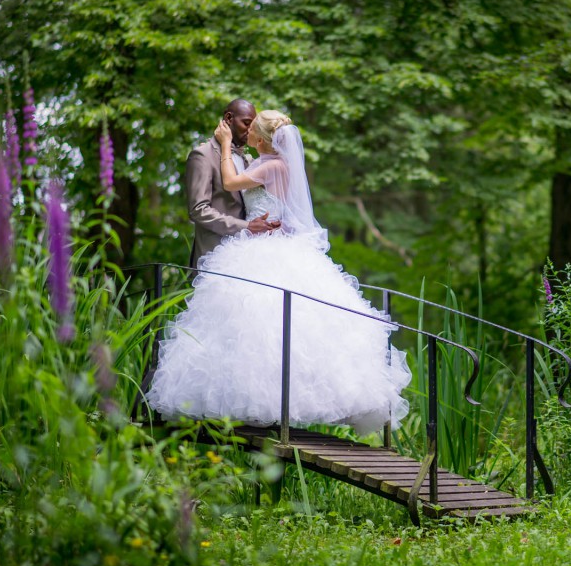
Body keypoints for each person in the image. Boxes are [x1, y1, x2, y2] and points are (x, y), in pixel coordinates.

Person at [147, 110, 411, 434]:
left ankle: (274, 407)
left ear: (261, 137)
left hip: (266, 246)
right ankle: (259, 405)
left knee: (268, 324)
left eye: (253, 129)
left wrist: (226, 145)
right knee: (255, 328)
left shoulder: (274, 165)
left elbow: (230, 182)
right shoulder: (267, 163)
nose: (250, 133)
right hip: (264, 241)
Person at [185, 98, 280, 268]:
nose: (251, 130)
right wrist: (246, 226)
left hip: (247, 256)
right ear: (229, 119)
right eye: (246, 123)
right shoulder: (203, 155)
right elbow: (198, 210)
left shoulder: (248, 158)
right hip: (214, 255)